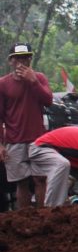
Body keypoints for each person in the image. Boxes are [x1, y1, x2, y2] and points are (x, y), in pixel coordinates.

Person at [0, 43, 53, 208]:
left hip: (38, 139)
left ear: (30, 60)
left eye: (25, 58)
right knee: (21, 182)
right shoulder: (3, 84)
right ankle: (24, 221)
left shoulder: (39, 78)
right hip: (14, 140)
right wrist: (0, 144)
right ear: (11, 61)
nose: (21, 62)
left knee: (40, 179)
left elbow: (48, 101)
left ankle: (43, 218)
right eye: (17, 58)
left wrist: (33, 81)